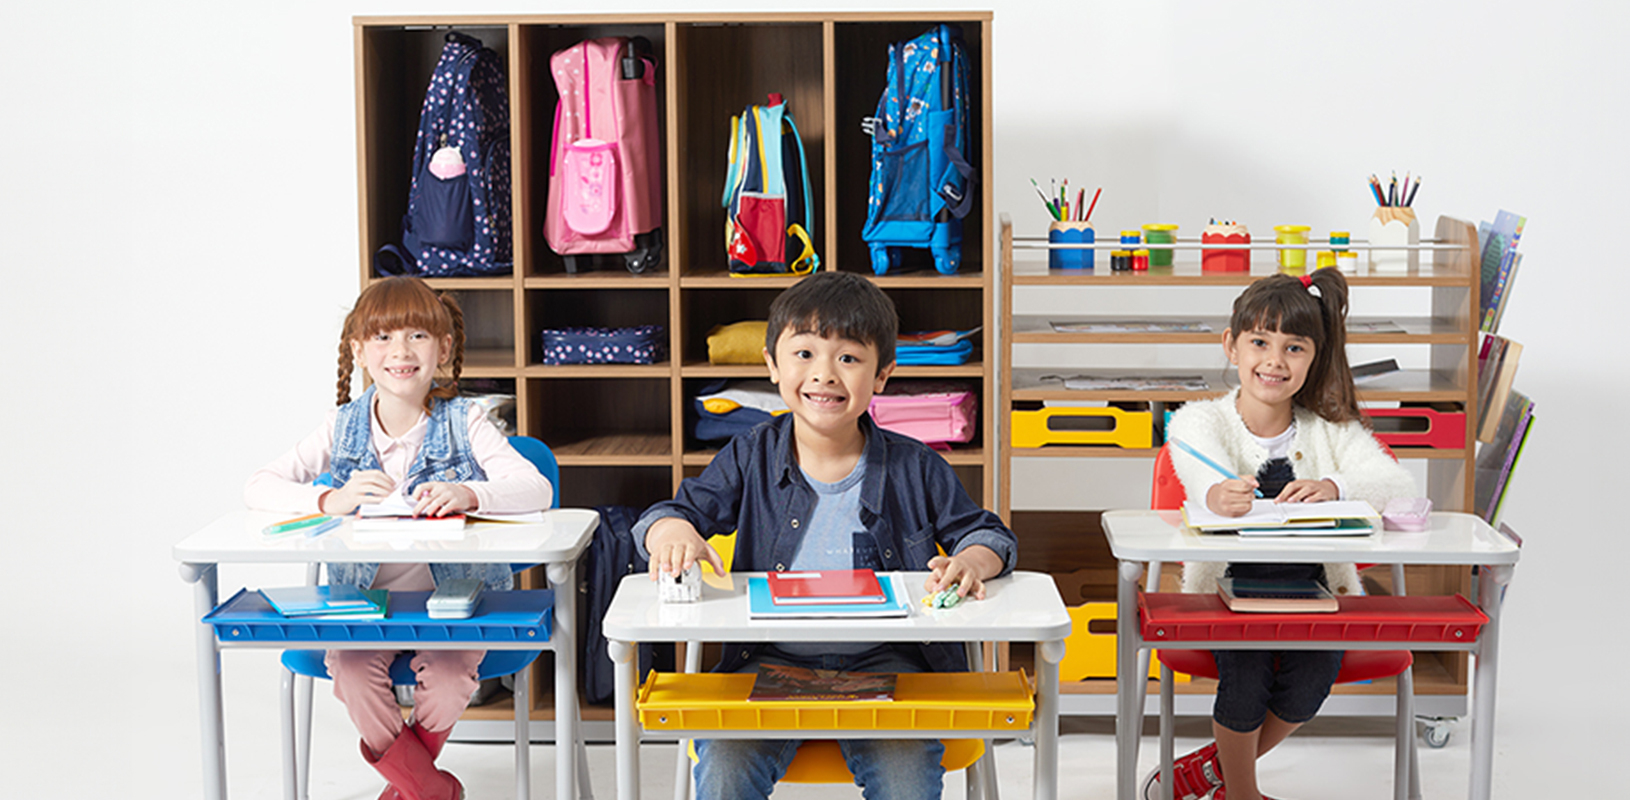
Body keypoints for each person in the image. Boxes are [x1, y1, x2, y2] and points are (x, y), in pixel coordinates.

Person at [635, 270, 1016, 800]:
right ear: (772, 365)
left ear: (882, 374)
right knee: (724, 769)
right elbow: (673, 513)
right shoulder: (751, 455)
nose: (825, 375)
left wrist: (971, 562)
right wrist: (670, 534)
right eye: (805, 354)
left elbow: (985, 533)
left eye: (849, 358)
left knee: (908, 781)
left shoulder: (916, 466)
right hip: (769, 660)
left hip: (892, 661)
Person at [244, 276, 552, 800]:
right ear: (359, 350)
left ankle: (413, 789)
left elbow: (536, 487)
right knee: (350, 666)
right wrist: (330, 500)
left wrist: (468, 492)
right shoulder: (340, 426)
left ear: (444, 348)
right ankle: (430, 789)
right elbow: (259, 486)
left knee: (454, 673)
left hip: (453, 607)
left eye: (417, 336)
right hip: (363, 608)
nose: (400, 352)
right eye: (383, 338)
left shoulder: (466, 420)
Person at [1149, 268, 1415, 800]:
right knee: (1246, 678)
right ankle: (1243, 794)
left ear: (1313, 358)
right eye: (1259, 342)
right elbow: (1196, 465)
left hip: (1312, 593)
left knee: (1311, 681)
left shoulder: (1330, 431)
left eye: (1294, 348)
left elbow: (1394, 483)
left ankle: (1209, 772)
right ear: (1231, 346)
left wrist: (1335, 484)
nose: (1274, 360)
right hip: (1226, 592)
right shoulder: (1201, 422)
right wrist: (1214, 494)